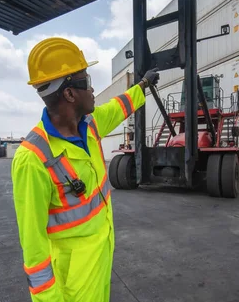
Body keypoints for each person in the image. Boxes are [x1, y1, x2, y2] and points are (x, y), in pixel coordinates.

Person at [11, 37, 160, 301]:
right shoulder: (32, 159)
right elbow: (33, 249)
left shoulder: (89, 125)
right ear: (69, 93)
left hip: (99, 259)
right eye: (87, 82)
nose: (93, 90)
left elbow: (118, 107)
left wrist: (143, 85)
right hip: (71, 286)